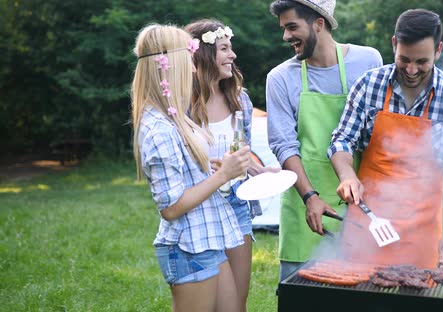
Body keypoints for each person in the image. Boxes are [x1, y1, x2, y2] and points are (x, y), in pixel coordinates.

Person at [329, 8, 443, 269]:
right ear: (394, 44)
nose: (411, 70)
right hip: (367, 220)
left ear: (439, 50)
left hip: (422, 229)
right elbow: (342, 139)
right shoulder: (369, 85)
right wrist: (347, 175)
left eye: (422, 62)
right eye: (404, 59)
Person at [131, 23, 251, 311]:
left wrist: (209, 166)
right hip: (188, 247)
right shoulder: (159, 128)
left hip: (205, 238)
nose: (195, 69)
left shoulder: (171, 117)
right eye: (189, 61)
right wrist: (223, 175)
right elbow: (170, 207)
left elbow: (184, 171)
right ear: (171, 65)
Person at [266, 0, 384, 281]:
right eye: (283, 28)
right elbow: (284, 145)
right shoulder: (280, 78)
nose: (285, 36)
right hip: (306, 207)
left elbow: (379, 131)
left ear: (319, 23)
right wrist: (310, 197)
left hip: (362, 204)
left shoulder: (368, 61)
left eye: (292, 26)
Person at [184, 19, 279, 312]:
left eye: (231, 48)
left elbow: (241, 153)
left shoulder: (240, 100)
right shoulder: (181, 105)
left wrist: (261, 172)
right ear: (202, 55)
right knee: (205, 302)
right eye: (224, 48)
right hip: (198, 210)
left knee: (236, 301)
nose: (233, 55)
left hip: (236, 207)